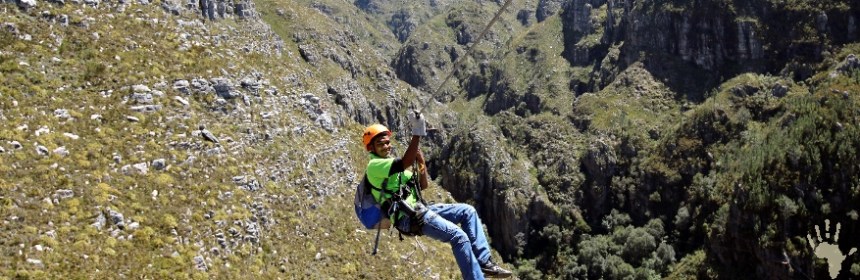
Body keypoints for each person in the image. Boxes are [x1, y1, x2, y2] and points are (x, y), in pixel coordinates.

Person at [361, 111, 512, 279]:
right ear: (371, 148)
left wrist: (421, 162)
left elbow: (422, 185)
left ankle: (484, 263)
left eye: (388, 142)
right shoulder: (374, 166)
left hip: (419, 210)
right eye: (381, 144)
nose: (387, 146)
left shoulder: (391, 168)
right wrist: (417, 132)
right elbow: (405, 162)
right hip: (408, 217)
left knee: (467, 211)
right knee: (458, 237)